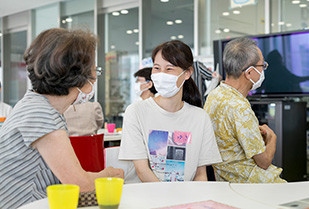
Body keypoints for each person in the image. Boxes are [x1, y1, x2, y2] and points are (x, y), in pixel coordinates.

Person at [0, 28, 124, 209]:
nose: (95, 76)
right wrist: (111, 174)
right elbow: (80, 184)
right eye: (93, 70)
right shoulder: (42, 115)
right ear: (75, 75)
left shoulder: (33, 103)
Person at [119, 40, 222, 183]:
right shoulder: (135, 112)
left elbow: (200, 175)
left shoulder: (200, 117)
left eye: (169, 69)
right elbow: (142, 171)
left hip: (186, 200)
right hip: (148, 199)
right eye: (156, 68)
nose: (161, 74)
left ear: (187, 73)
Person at [204, 37, 286, 183]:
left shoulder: (214, 96)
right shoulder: (240, 107)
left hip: (226, 181)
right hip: (253, 184)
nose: (264, 70)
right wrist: (272, 137)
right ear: (249, 73)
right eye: (263, 65)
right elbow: (264, 161)